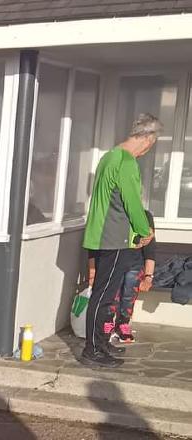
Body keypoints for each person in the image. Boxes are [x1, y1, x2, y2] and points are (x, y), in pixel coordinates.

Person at [81, 113, 160, 368]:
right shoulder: (126, 162)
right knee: (104, 296)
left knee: (103, 294)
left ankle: (101, 345)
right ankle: (93, 350)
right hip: (114, 238)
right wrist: (144, 229)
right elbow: (132, 202)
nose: (149, 149)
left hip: (105, 235)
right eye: (152, 142)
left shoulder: (109, 156)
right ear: (146, 138)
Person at [87, 210, 157, 345]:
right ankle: (107, 322)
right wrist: (92, 272)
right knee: (112, 294)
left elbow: (150, 248)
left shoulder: (145, 216)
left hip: (134, 264)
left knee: (128, 295)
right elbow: (93, 247)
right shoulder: (109, 214)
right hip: (112, 262)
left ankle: (123, 324)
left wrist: (148, 276)